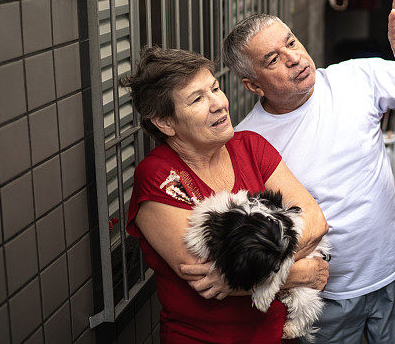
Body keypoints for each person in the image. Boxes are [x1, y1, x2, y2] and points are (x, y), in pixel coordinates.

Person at [221, 0, 395, 343]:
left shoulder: (355, 77)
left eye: (291, 42)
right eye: (273, 59)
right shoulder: (247, 142)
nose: (294, 58)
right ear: (253, 85)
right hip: (320, 297)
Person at [122, 46, 329, 343]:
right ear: (165, 123)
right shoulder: (159, 176)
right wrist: (302, 272)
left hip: (277, 335)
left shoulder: (251, 146)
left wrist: (253, 274)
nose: (218, 103)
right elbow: (207, 275)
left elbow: (315, 221)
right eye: (197, 99)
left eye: (215, 88)